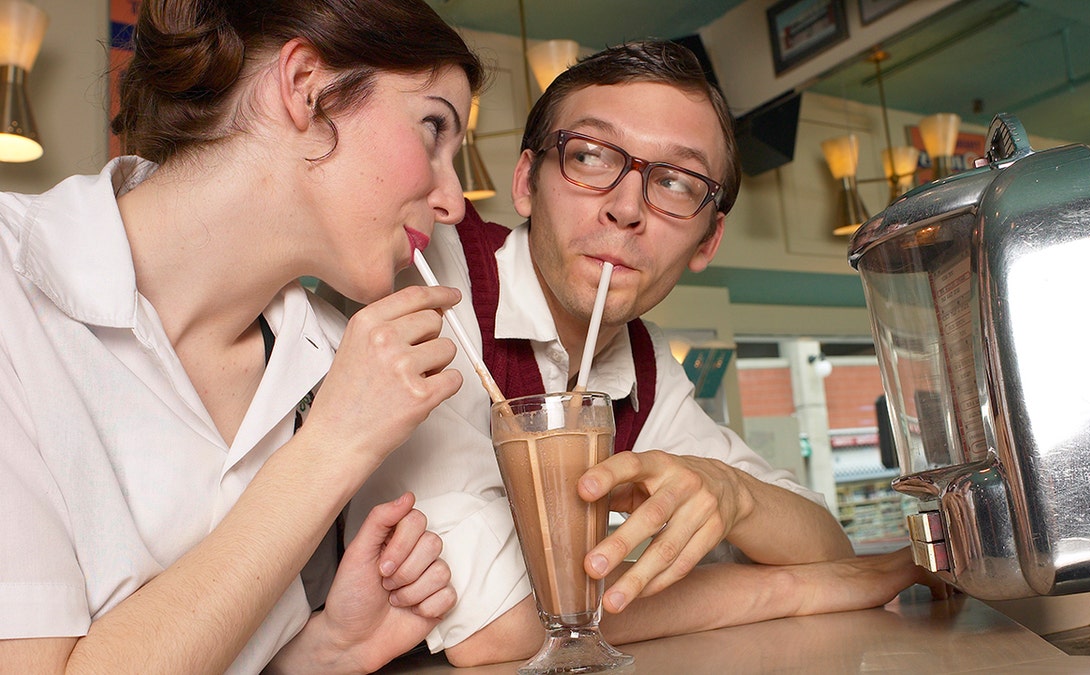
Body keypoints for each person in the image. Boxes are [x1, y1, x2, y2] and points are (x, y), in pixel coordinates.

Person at [346, 40, 945, 668]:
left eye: (677, 183)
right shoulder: (430, 273)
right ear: (526, 182)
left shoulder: (643, 364)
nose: (626, 208)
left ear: (708, 240)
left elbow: (821, 544)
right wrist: (790, 590)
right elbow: (483, 620)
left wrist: (734, 495)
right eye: (588, 156)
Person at [0, 1, 485, 673]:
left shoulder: (337, 362)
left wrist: (319, 653)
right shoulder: (12, 285)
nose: (454, 201)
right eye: (432, 127)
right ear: (306, 86)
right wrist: (331, 448)